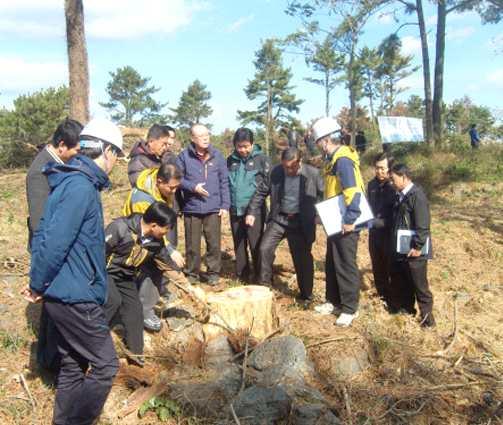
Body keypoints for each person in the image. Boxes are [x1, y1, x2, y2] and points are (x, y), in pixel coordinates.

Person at [24, 118, 123, 425]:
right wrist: (38, 283)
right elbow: (53, 241)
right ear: (105, 150)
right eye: (117, 155)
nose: (116, 163)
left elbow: (43, 233)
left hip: (69, 289)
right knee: (106, 365)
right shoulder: (80, 186)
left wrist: (41, 283)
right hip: (73, 293)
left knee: (74, 363)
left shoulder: (71, 180)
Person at [26, 118, 83, 373]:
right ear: (62, 145)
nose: (77, 156)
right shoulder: (39, 173)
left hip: (58, 244)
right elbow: (40, 224)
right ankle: (48, 361)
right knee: (52, 306)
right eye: (75, 150)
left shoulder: (59, 164)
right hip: (48, 247)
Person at [104, 202, 177, 366]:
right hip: (105, 272)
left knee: (135, 309)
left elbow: (167, 264)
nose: (167, 233)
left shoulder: (155, 242)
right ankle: (92, 340)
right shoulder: (120, 228)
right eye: (166, 229)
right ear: (154, 225)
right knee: (113, 301)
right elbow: (98, 253)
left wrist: (187, 286)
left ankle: (136, 355)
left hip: (126, 276)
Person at [247, 147, 324, 302]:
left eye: (292, 167)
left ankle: (306, 295)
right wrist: (251, 211)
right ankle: (264, 287)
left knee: (302, 259)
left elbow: (322, 195)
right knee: (264, 249)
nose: (288, 170)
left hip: (300, 222)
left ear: (299, 162)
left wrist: (318, 214)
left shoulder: (313, 174)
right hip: (279, 219)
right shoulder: (276, 172)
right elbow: (261, 192)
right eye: (285, 166)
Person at [311, 117, 365, 327]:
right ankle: (333, 301)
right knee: (332, 262)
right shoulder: (331, 160)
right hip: (334, 219)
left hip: (346, 220)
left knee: (345, 263)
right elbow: (333, 190)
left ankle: (350, 308)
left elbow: (353, 191)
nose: (317, 146)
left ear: (325, 140)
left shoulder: (342, 160)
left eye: (317, 142)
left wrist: (351, 219)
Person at [123, 163, 185, 331]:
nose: (174, 192)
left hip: (152, 236)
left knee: (160, 265)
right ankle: (144, 311)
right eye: (171, 188)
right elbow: (152, 231)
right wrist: (170, 250)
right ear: (159, 181)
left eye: (176, 188)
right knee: (152, 267)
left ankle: (154, 296)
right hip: (137, 239)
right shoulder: (142, 200)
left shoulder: (162, 188)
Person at [176, 124, 230, 285]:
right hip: (192, 207)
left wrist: (225, 205)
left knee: (213, 243)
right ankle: (192, 274)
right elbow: (177, 179)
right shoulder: (184, 157)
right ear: (193, 138)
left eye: (207, 134)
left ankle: (213, 273)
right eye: (201, 136)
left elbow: (224, 181)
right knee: (192, 244)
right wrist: (193, 187)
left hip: (213, 207)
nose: (206, 138)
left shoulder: (217, 156)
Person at [389, 163, 435, 327]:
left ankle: (427, 320)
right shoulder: (400, 195)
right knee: (405, 283)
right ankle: (407, 310)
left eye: (393, 179)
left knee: (420, 286)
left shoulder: (417, 196)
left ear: (404, 177)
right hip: (403, 249)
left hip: (416, 251)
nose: (391, 183)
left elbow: (423, 225)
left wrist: (417, 247)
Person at [227, 128, 271, 283]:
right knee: (239, 244)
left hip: (255, 211)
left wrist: (254, 209)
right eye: (239, 146)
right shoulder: (230, 160)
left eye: (246, 146)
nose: (243, 150)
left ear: (252, 144)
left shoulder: (262, 160)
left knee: (256, 244)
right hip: (235, 209)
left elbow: (266, 185)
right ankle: (243, 275)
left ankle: (261, 275)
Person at [367, 153, 396, 305]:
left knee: (390, 267)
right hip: (374, 233)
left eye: (382, 168)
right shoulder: (371, 185)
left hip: (389, 233)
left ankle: (393, 300)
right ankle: (382, 296)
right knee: (377, 266)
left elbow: (396, 215)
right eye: (377, 168)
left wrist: (379, 223)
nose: (379, 172)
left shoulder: (394, 187)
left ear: (390, 169)